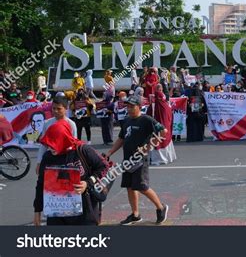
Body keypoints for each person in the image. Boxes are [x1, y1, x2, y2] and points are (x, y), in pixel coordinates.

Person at [105, 96, 169, 225]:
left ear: (139, 107)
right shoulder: (127, 121)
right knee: (130, 186)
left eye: (132, 106)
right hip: (127, 159)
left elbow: (163, 131)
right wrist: (110, 152)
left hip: (140, 159)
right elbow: (121, 139)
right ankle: (135, 214)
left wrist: (149, 146)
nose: (129, 109)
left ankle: (161, 207)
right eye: (127, 106)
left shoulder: (146, 119)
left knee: (142, 187)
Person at [34, 120, 108, 226]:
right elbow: (41, 184)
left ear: (63, 139)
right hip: (56, 212)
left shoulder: (82, 150)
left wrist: (87, 182)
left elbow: (103, 166)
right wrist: (37, 211)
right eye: (48, 144)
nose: (50, 147)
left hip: (85, 209)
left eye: (53, 143)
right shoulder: (48, 156)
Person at [36, 96, 78, 174]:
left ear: (66, 109)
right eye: (53, 108)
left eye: (59, 109)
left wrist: (74, 165)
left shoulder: (71, 124)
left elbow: (74, 146)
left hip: (66, 161)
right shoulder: (47, 123)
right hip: (50, 160)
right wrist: (39, 163)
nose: (55, 111)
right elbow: (43, 145)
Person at [150, 83, 175, 165]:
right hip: (161, 126)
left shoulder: (159, 101)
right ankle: (166, 157)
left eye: (160, 89)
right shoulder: (160, 101)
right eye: (158, 89)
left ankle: (161, 158)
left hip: (162, 126)